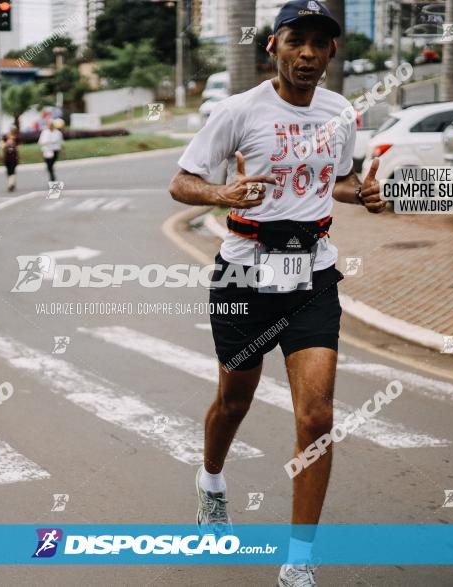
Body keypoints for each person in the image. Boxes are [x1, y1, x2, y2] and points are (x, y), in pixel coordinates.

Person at [167, 1, 385, 585]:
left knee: (316, 416)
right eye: (296, 41)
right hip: (244, 273)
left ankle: (298, 561)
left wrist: (358, 195)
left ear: (334, 51)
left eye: (319, 42)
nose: (308, 53)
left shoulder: (342, 113)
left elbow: (335, 182)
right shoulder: (239, 111)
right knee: (234, 401)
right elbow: (181, 182)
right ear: (274, 48)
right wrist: (222, 196)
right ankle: (212, 479)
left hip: (313, 274)